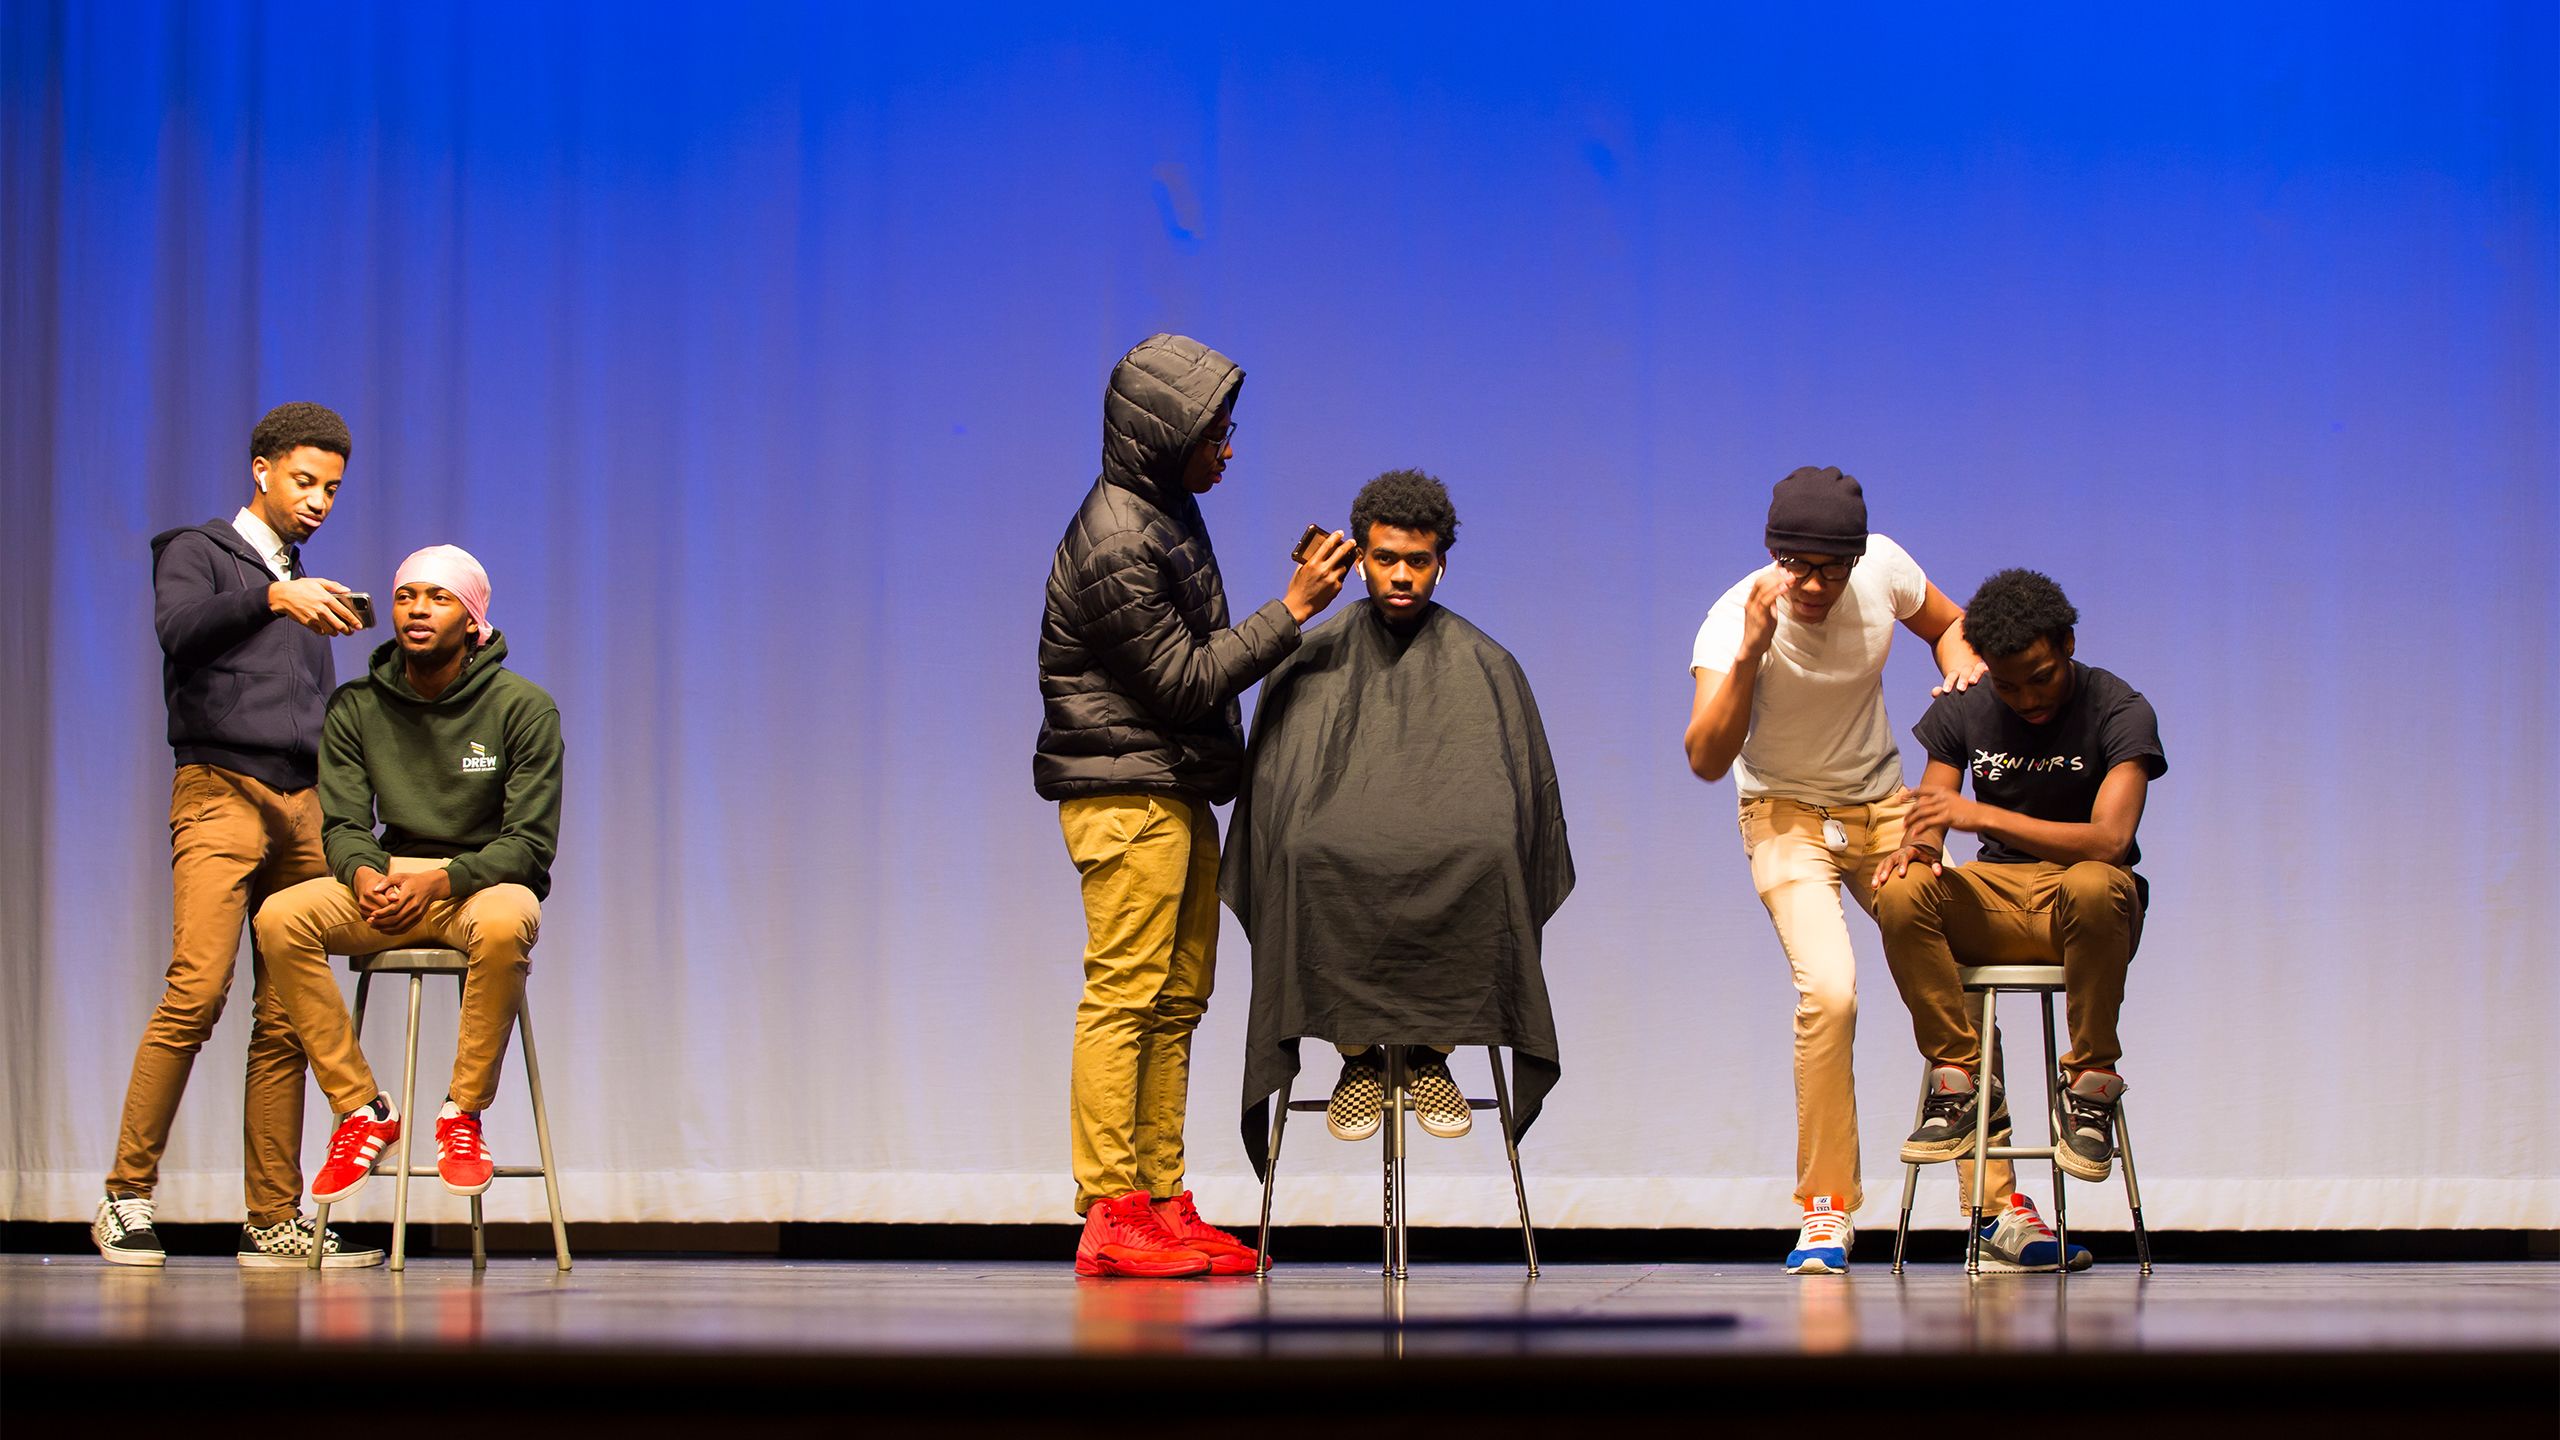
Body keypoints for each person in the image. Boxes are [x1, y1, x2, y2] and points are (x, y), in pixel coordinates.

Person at [1684, 466, 2082, 1275]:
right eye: (1798, 566)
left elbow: (1948, 623)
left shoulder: (1883, 570)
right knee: (1829, 992)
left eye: (1833, 567)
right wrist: (1753, 652)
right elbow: (1704, 757)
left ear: (1858, 558)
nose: (1816, 584)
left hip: (1883, 807)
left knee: (1962, 974)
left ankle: (1996, 1203)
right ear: (1773, 553)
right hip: (1785, 815)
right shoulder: (1734, 619)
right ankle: (1825, 1208)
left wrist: (1963, 661)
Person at [1034, 334, 1356, 1278]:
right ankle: (1110, 1211)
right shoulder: (1119, 536)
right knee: (1126, 997)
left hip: (1169, 790)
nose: (1228, 447)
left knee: (1176, 1003)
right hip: (1125, 793)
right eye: (1216, 432)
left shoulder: (1164, 513)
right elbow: (1181, 681)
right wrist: (1291, 608)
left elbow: (1193, 664)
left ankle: (1161, 1200)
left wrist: (1282, 612)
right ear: (1167, 434)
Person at [94, 402, 382, 1270]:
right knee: (196, 990)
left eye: (332, 487)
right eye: (305, 481)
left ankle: (272, 1219)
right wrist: (270, 595)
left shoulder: (305, 582)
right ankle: (125, 1199)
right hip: (219, 787)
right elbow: (178, 632)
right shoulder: (199, 550)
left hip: (299, 803)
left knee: (287, 1014)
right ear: (261, 470)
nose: (320, 500)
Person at [1225, 471, 1573, 1176]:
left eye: (1419, 560)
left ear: (1442, 560)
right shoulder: (1310, 655)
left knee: (1490, 853)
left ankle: (1428, 1054)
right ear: (1360, 559)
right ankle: (1358, 1056)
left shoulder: (1488, 664)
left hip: (1457, 849)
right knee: (1300, 851)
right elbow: (1272, 801)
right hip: (1331, 845)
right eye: (1387, 559)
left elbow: (1526, 810)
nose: (1404, 576)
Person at [252, 544, 563, 1207]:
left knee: (510, 919)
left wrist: (440, 880)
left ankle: (462, 1113)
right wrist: (363, 874)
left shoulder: (522, 707)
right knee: (280, 916)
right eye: (406, 596)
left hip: (474, 888)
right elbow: (342, 824)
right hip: (387, 883)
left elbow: (529, 847)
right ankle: (362, 1109)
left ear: (472, 619)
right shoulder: (357, 705)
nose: (418, 609)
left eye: (438, 597)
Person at [1873, 568, 2163, 1213]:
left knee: (2094, 883)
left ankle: (2089, 1085)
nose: (2027, 698)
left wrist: (1986, 818)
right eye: (2008, 685)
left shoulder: (2119, 708)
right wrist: (1914, 848)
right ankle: (1963, 1082)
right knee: (1901, 891)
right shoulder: (1965, 708)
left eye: (2041, 677)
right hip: (1998, 896)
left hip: (2085, 908)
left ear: (2067, 643)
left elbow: (2111, 841)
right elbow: (1933, 814)